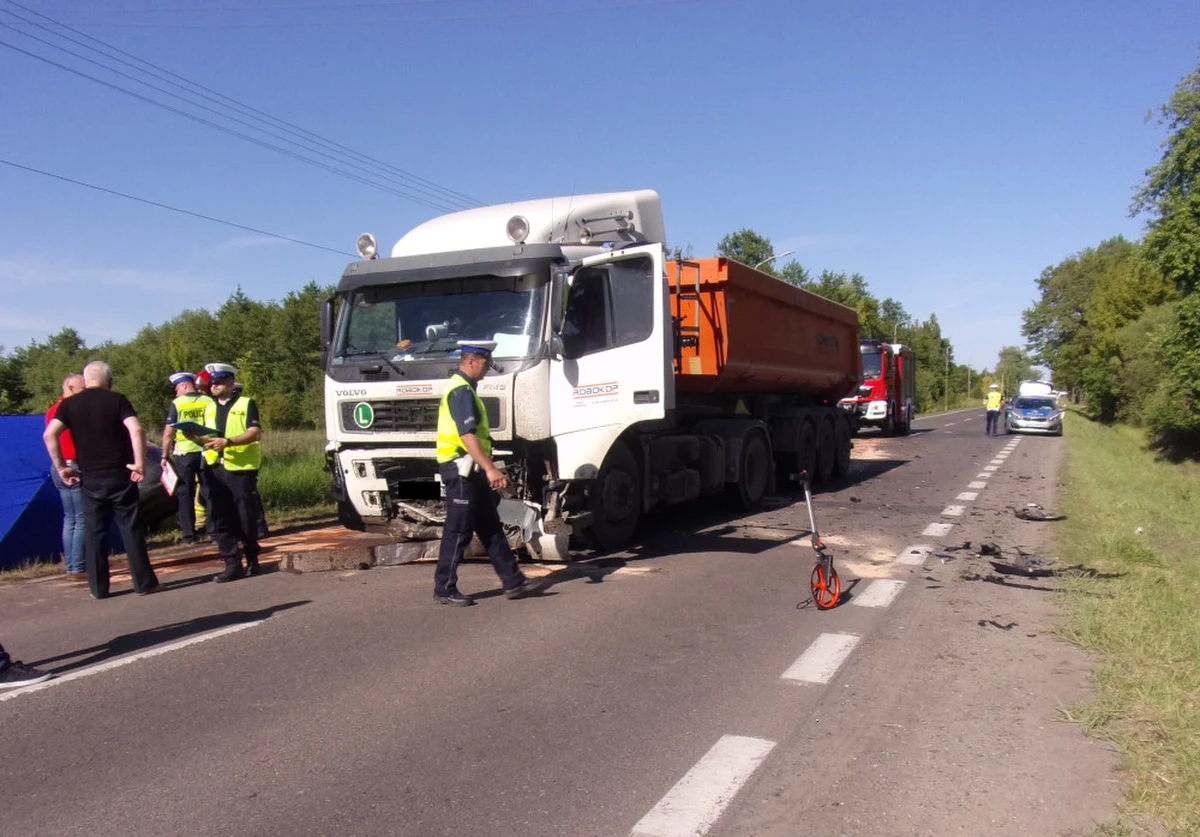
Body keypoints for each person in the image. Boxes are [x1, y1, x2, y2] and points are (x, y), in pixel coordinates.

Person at [433, 340, 543, 606]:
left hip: (470, 470)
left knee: (490, 527)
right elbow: (466, 435)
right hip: (460, 470)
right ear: (471, 361)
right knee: (458, 531)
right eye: (485, 364)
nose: (487, 369)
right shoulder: (461, 391)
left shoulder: (465, 388)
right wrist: (490, 468)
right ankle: (444, 589)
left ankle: (513, 581)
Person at [43, 361, 159, 599]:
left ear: (85, 382)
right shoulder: (117, 400)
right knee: (131, 529)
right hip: (119, 475)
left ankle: (98, 588)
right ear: (110, 381)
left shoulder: (69, 405)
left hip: (89, 478)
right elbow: (136, 430)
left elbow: (49, 434)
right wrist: (140, 463)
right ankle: (144, 583)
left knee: (95, 533)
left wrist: (62, 466)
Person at [192, 363, 262, 581]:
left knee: (245, 516)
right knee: (219, 517)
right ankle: (232, 563)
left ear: (231, 382)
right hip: (214, 468)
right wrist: (192, 436)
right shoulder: (209, 407)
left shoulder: (246, 403)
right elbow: (206, 437)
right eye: (212, 383)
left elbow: (255, 432)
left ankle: (252, 558)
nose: (214, 386)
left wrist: (228, 442)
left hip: (239, 469)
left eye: (219, 382)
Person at [161, 371, 212, 545]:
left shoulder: (178, 403)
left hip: (185, 453)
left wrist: (164, 455)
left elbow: (169, 433)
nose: (176, 392)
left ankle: (189, 535)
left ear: (184, 386)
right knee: (209, 491)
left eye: (177, 388)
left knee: (185, 494)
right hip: (206, 451)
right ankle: (214, 531)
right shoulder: (208, 401)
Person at [45, 374, 87, 579]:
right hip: (74, 465)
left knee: (70, 518)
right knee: (81, 518)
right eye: (82, 388)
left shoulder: (52, 410)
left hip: (58, 466)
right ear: (70, 388)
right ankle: (78, 565)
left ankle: (72, 563)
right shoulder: (71, 410)